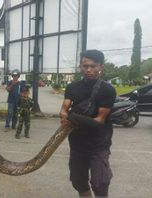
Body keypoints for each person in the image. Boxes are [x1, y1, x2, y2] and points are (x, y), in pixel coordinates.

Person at [59, 49, 116, 197]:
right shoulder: (72, 87)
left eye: (93, 66)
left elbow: (99, 121)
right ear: (80, 67)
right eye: (85, 66)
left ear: (100, 67)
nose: (88, 70)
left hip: (98, 143)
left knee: (100, 183)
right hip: (77, 143)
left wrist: (74, 117)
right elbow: (64, 109)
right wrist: (65, 115)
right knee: (79, 182)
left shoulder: (107, 90)